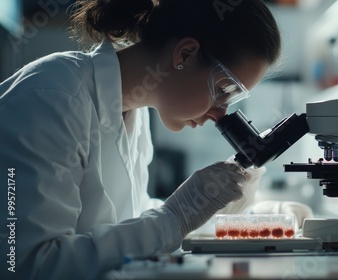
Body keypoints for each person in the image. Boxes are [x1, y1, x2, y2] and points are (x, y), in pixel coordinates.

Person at [0, 0, 302, 279]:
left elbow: (129, 225)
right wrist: (176, 217)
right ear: (184, 54)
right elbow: (24, 265)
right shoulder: (51, 97)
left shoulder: (136, 113)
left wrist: (240, 220)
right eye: (224, 90)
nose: (221, 114)